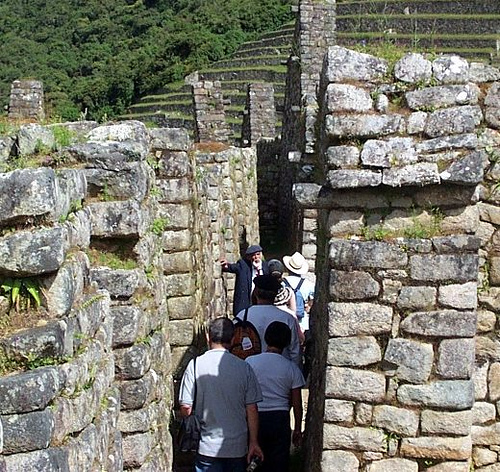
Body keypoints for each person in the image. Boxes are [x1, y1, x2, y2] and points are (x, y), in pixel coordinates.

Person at [179, 317, 264, 472]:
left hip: (206, 446)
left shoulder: (195, 365)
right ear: (233, 339)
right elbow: (252, 409)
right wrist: (253, 442)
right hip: (237, 447)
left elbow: (186, 407)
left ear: (208, 336)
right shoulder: (244, 368)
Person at [246, 322, 305, 472]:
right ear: (286, 343)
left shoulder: (250, 363)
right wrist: (297, 429)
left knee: (253, 463)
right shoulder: (291, 368)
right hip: (279, 419)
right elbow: (297, 404)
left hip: (254, 417)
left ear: (266, 338)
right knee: (278, 464)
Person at [234, 274, 301, 367]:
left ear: (255, 292)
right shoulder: (287, 318)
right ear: (275, 294)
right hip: (279, 370)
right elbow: (295, 352)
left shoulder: (243, 316)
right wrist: (294, 371)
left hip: (249, 368)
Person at [221, 244, 270, 316]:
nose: (256, 257)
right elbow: (233, 267)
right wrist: (226, 266)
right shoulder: (243, 265)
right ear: (249, 257)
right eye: (253, 255)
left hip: (262, 304)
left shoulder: (266, 267)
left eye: (258, 254)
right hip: (247, 304)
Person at [282, 252, 315, 334]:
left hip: (285, 319)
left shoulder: (283, 283)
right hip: (302, 322)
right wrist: (308, 306)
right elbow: (313, 299)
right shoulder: (308, 284)